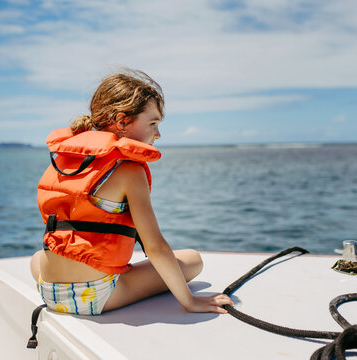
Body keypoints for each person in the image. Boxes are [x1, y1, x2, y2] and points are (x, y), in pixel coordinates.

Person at [30, 69, 232, 316]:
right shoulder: (129, 170)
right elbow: (155, 247)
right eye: (153, 123)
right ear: (123, 122)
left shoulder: (65, 160)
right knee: (192, 259)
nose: (158, 134)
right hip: (95, 297)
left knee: (38, 256)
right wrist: (189, 302)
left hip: (49, 291)